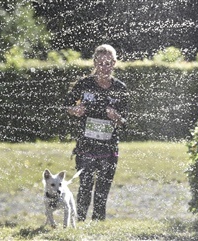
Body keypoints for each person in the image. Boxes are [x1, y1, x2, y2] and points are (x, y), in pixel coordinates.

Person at [64, 44, 128, 221]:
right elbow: (66, 106)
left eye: (108, 63)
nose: (104, 67)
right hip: (86, 145)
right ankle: (80, 221)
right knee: (85, 186)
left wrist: (117, 117)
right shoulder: (83, 84)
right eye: (101, 63)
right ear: (94, 63)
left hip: (109, 147)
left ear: (114, 63)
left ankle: (98, 226)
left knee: (102, 191)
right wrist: (74, 110)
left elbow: (126, 122)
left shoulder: (120, 88)